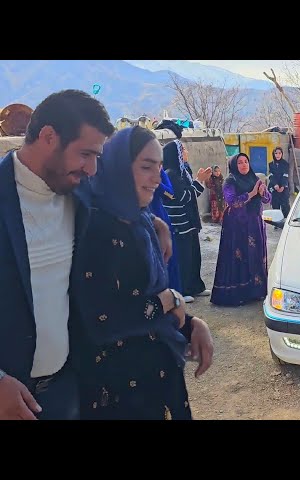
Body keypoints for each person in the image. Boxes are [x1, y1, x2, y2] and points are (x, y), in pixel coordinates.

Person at [0, 90, 173, 420]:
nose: (93, 169)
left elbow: (116, 201)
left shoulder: (76, 189)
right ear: (49, 136)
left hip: (66, 389)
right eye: (86, 154)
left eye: (98, 157)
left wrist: (152, 220)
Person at [73, 126, 213, 420]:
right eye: (147, 167)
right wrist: (171, 301)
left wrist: (189, 324)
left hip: (158, 380)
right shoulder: (95, 229)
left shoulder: (140, 222)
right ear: (118, 169)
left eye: (160, 168)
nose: (157, 179)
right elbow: (103, 321)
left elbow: (142, 294)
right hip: (120, 393)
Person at [211, 153, 272, 306]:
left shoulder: (254, 179)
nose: (244, 165)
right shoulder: (230, 181)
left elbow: (267, 199)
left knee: (256, 255)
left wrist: (263, 192)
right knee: (240, 256)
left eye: (246, 162)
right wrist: (251, 194)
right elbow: (232, 202)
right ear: (234, 165)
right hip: (237, 226)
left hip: (255, 223)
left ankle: (256, 291)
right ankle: (240, 293)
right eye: (240, 162)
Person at [162, 137, 213, 301]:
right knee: (182, 258)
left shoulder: (184, 171)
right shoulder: (171, 174)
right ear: (175, 154)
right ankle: (182, 290)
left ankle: (195, 287)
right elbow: (182, 197)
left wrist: (200, 181)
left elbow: (193, 195)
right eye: (183, 149)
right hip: (180, 223)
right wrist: (198, 181)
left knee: (193, 256)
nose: (186, 152)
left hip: (189, 222)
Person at [149, 167, 182, 293]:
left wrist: (157, 184)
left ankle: (174, 294)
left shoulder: (160, 171)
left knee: (168, 258)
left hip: (160, 217)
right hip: (142, 218)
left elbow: (170, 194)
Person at [268, 147, 290, 219]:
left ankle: (286, 221)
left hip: (283, 187)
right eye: (276, 153)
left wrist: (283, 186)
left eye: (279, 153)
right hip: (274, 187)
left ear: (282, 154)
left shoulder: (285, 164)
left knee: (285, 204)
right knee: (275, 204)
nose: (278, 155)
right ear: (273, 154)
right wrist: (275, 185)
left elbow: (285, 175)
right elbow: (271, 176)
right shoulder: (271, 164)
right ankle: (277, 222)